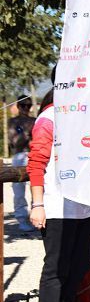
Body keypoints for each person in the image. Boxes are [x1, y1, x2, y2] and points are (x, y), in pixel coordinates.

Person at [27, 87, 90, 302]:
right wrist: (37, 204)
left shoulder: (89, 116)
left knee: (79, 265)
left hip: (86, 206)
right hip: (57, 206)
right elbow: (36, 163)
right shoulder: (48, 118)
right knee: (56, 268)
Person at [8, 95, 36, 232]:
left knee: (37, 188)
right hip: (19, 156)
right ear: (18, 107)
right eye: (23, 105)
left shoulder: (35, 120)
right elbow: (15, 142)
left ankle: (35, 218)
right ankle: (22, 219)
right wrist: (27, 132)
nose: (26, 108)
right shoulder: (13, 122)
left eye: (28, 105)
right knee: (19, 191)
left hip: (34, 155)